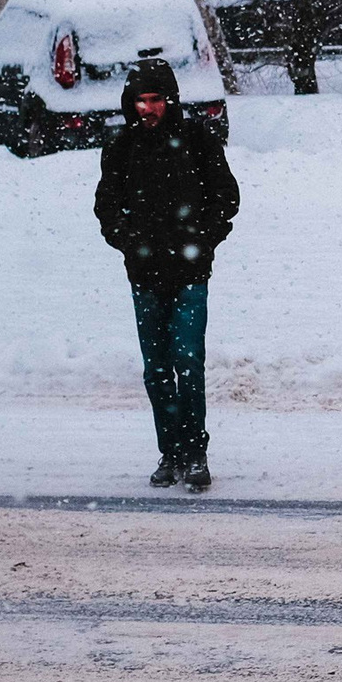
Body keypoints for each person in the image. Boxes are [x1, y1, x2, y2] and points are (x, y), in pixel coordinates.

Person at [93, 57, 240, 492]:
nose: (148, 108)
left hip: (190, 274)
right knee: (156, 369)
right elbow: (106, 206)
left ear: (170, 100)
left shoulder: (198, 140)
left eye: (156, 99)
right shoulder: (120, 149)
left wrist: (204, 242)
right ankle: (170, 452)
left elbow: (226, 198)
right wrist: (129, 244)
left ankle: (195, 453)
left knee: (188, 364)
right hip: (144, 276)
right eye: (140, 100)